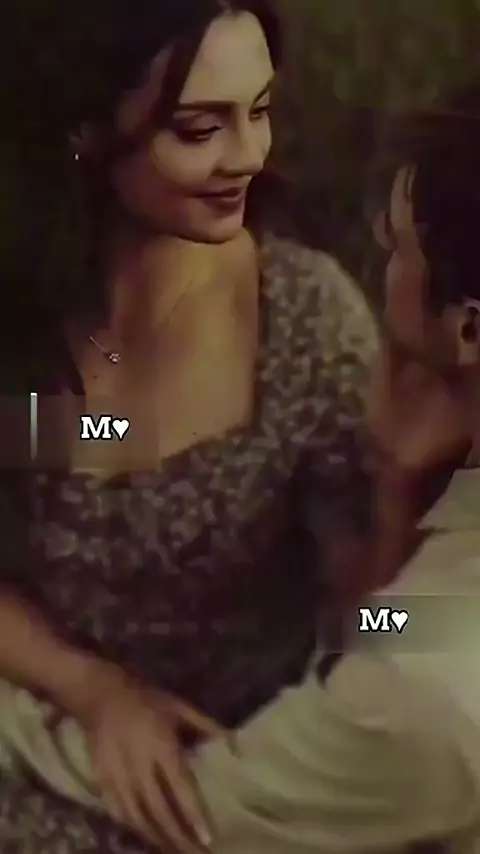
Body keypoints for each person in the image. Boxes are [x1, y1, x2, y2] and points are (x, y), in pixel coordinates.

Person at [5, 84, 479, 854]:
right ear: (85, 136)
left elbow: (204, 806)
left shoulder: (305, 324)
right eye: (201, 126)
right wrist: (83, 683)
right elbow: (374, 630)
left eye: (395, 248)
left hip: (184, 781)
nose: (251, 154)